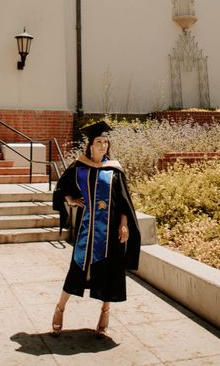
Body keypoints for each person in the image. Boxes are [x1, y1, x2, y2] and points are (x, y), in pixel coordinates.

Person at [51, 120, 141, 337]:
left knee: (109, 271)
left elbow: (123, 201)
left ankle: (105, 310)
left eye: (105, 142)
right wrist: (70, 199)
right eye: (99, 141)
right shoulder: (79, 167)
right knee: (77, 269)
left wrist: (124, 224)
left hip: (109, 231)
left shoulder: (114, 170)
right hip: (85, 229)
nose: (103, 145)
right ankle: (60, 308)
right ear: (90, 145)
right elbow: (62, 187)